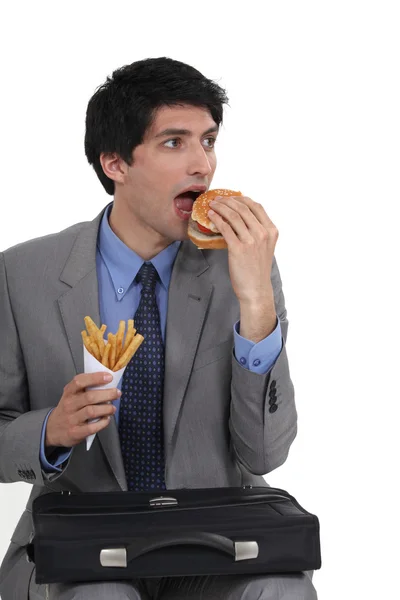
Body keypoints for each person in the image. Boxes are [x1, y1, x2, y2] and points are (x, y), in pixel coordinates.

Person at [0, 57, 317, 599]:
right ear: (115, 162)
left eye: (209, 141)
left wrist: (257, 301)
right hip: (83, 545)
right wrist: (50, 430)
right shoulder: (21, 274)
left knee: (281, 591)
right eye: (175, 142)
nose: (203, 165)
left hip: (217, 540)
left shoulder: (243, 267)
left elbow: (265, 454)